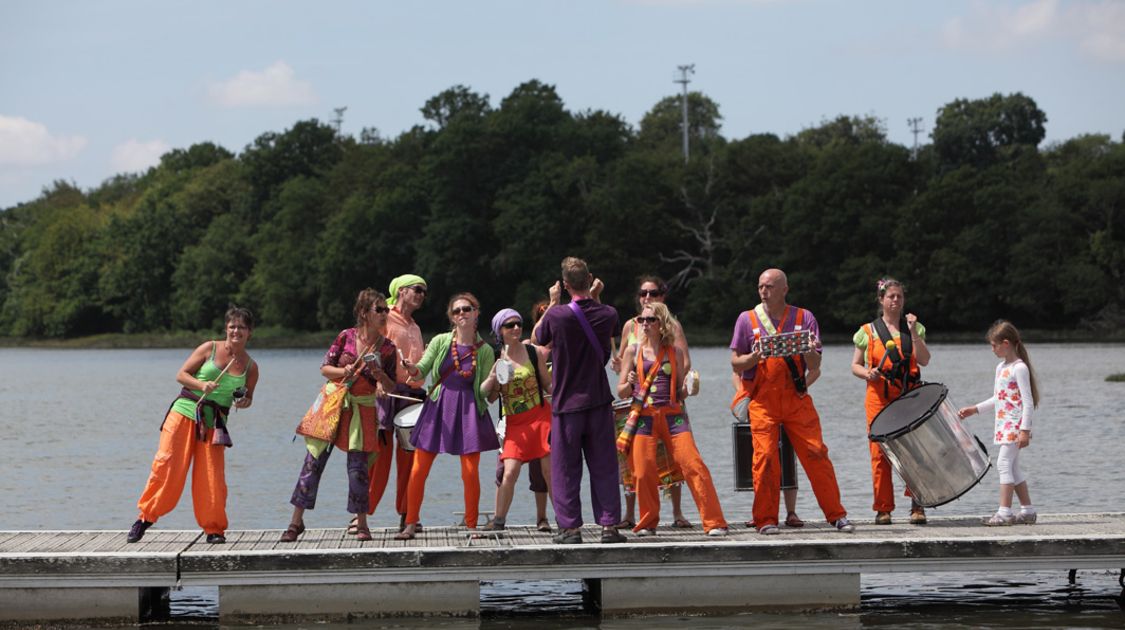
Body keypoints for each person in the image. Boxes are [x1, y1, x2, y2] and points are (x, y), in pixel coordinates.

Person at [730, 268, 855, 535]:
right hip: (762, 400)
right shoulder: (747, 319)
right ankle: (765, 519)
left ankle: (837, 515)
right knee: (764, 458)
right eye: (761, 286)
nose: (764, 291)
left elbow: (816, 363)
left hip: (797, 398)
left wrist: (809, 352)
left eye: (770, 286)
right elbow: (735, 362)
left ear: (784, 289)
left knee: (817, 453)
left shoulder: (804, 317)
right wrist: (754, 357)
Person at [127, 306, 259, 544]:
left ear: (249, 332)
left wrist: (244, 401)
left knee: (212, 476)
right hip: (185, 413)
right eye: (232, 326)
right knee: (167, 465)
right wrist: (202, 386)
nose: (236, 331)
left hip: (215, 422)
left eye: (241, 327)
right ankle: (144, 518)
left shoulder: (251, 367)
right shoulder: (209, 348)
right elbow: (181, 375)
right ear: (226, 328)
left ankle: (214, 529)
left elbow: (247, 399)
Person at [281, 289, 397, 543]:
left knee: (358, 469)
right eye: (380, 309)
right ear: (364, 313)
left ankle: (362, 524)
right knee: (313, 463)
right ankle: (295, 522)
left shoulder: (388, 348)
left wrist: (379, 377)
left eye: (386, 310)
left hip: (363, 408)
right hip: (333, 404)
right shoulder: (346, 336)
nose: (385, 314)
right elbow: (324, 368)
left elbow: (391, 387)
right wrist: (343, 370)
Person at [533, 256, 626, 544]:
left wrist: (551, 302)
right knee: (605, 466)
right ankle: (609, 526)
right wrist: (596, 296)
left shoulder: (557, 315)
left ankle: (571, 529)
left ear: (564, 285)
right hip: (598, 401)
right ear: (590, 280)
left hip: (567, 404)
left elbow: (537, 337)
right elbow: (597, 318)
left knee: (565, 469)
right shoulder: (608, 313)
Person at [617, 302, 729, 537]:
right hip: (644, 417)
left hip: (673, 417)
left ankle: (714, 522)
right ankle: (648, 523)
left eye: (650, 320)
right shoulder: (632, 351)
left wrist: (691, 387)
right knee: (643, 470)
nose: (644, 324)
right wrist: (628, 382)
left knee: (693, 464)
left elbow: (678, 390)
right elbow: (621, 392)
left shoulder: (674, 352)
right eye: (641, 320)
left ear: (662, 324)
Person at [397, 293, 499, 540]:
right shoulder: (441, 341)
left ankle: (472, 526)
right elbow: (422, 368)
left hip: (469, 410)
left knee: (470, 472)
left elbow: (485, 392)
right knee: (419, 469)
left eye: (467, 309)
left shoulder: (485, 351)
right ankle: (410, 523)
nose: (462, 314)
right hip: (439, 406)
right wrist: (410, 368)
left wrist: (494, 377)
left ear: (476, 313)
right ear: (451, 318)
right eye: (456, 311)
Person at [611, 276, 692, 529]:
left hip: (666, 399)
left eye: (653, 293)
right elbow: (623, 361)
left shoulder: (672, 325)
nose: (647, 298)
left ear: (662, 296)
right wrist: (622, 368)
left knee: (672, 457)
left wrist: (671, 381)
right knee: (632, 460)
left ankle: (677, 513)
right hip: (634, 404)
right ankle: (629, 514)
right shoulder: (630, 325)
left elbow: (684, 362)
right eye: (643, 293)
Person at [850, 277, 932, 525]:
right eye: (891, 296)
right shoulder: (867, 332)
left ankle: (918, 505)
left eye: (899, 296)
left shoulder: (914, 329)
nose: (896, 300)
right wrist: (867, 373)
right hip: (878, 398)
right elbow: (855, 365)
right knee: (879, 454)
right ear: (881, 300)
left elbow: (925, 360)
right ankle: (883, 509)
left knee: (915, 452)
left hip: (909, 397)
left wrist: (915, 333)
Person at [363, 274, 429, 533]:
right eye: (417, 289)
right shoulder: (384, 316)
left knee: (410, 459)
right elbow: (368, 351)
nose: (422, 294)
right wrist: (376, 380)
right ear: (401, 291)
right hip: (385, 393)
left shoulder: (414, 325)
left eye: (424, 291)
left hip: (411, 396)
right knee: (379, 457)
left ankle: (407, 513)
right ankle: (362, 514)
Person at [958, 320, 1040, 526]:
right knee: (1013, 467)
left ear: (1006, 343)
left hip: (1015, 425)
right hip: (1004, 425)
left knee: (1004, 464)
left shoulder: (1019, 368)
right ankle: (1028, 511)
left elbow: (1028, 402)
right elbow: (999, 398)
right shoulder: (1001, 367)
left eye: (994, 345)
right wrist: (974, 409)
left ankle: (1004, 513)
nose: (992, 349)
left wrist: (1025, 430)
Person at [480, 307, 553, 532]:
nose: (516, 328)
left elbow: (548, 384)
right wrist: (494, 377)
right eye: (509, 325)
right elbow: (489, 396)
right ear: (499, 331)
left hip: (541, 418)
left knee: (549, 472)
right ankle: (499, 521)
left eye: (518, 324)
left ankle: (566, 521)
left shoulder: (533, 352)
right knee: (509, 471)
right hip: (514, 423)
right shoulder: (497, 358)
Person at [730, 372, 803, 527]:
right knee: (761, 461)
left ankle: (791, 511)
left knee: (788, 458)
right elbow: (736, 373)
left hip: (788, 405)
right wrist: (745, 395)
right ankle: (760, 513)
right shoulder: (748, 350)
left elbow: (808, 372)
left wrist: (800, 389)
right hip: (759, 407)